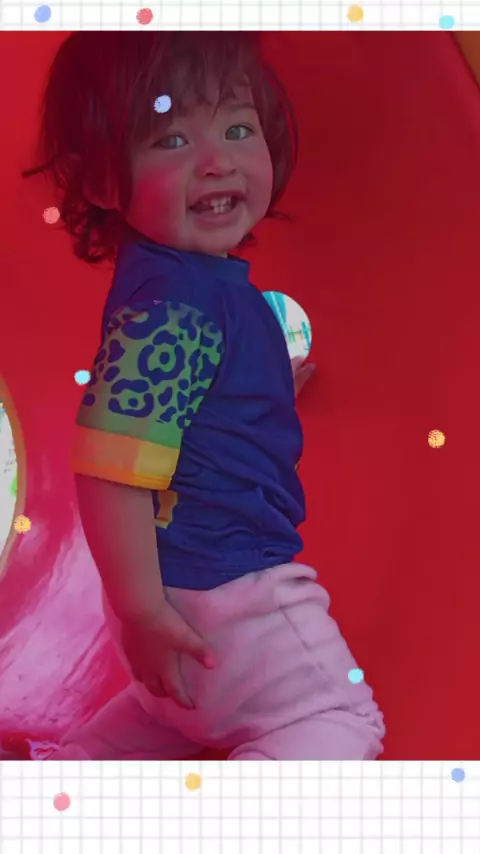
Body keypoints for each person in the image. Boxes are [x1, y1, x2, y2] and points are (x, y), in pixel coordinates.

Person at [25, 32, 385, 760]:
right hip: (228, 589)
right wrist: (140, 609)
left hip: (181, 596)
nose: (217, 159)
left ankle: (74, 772)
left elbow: (185, 410)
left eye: (238, 128)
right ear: (101, 181)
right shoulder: (174, 308)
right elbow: (109, 464)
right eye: (173, 139)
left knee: (176, 716)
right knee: (342, 723)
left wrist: (265, 390)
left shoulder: (179, 285)